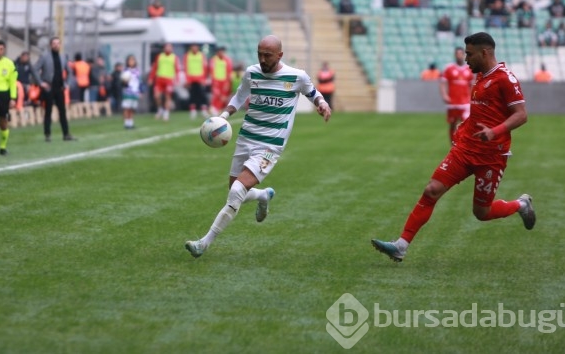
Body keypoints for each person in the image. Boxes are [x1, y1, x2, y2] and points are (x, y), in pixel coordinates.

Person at [371, 32, 535, 262]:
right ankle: (401, 245)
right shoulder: (479, 76)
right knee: (431, 190)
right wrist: (465, 126)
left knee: (482, 212)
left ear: (484, 52)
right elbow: (483, 111)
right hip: (465, 149)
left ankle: (520, 204)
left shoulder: (505, 79)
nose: (465, 58)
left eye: (469, 54)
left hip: (492, 156)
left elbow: (521, 115)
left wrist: (494, 132)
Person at [184, 35, 332, 258]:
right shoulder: (252, 73)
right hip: (246, 138)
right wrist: (222, 118)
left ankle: (204, 243)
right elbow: (239, 97)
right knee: (236, 192)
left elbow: (313, 92)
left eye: (268, 55)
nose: (262, 59)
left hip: (270, 146)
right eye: (259, 54)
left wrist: (322, 104)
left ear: (279, 55)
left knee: (236, 192)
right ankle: (263, 196)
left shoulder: (296, 76)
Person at [32, 37, 76, 142]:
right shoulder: (44, 56)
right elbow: (35, 69)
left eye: (58, 43)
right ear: (50, 45)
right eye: (54, 43)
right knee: (48, 111)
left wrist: (67, 84)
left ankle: (66, 134)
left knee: (62, 111)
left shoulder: (63, 56)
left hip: (60, 88)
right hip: (49, 87)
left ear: (60, 45)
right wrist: (41, 82)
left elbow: (70, 71)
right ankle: (47, 134)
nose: (56, 45)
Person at [440, 47, 474, 143]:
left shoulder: (469, 68)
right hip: (453, 102)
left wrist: (472, 98)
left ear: (464, 55)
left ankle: (463, 143)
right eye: (457, 54)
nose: (459, 56)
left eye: (460, 54)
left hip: (465, 103)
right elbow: (442, 83)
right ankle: (453, 143)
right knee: (452, 123)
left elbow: (472, 85)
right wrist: (444, 95)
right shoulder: (449, 68)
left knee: (466, 124)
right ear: (455, 55)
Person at [148, 43, 181, 122]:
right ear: (164, 48)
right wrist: (151, 78)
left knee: (167, 97)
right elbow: (155, 68)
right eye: (167, 47)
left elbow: (177, 69)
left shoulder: (174, 57)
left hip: (169, 79)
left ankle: (166, 113)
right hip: (159, 79)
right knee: (157, 96)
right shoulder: (159, 56)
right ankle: (160, 109)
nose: (168, 49)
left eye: (170, 47)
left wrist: (177, 79)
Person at [184, 44, 209, 119]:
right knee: (192, 95)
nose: (194, 48)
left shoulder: (201, 55)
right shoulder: (187, 56)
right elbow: (186, 67)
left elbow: (205, 67)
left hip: (200, 78)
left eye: (195, 46)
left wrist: (204, 79)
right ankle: (193, 111)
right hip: (191, 79)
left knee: (202, 95)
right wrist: (187, 79)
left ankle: (204, 111)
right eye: (193, 46)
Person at [209, 46, 233, 116]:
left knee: (223, 96)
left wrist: (228, 82)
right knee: (216, 95)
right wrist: (213, 82)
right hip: (216, 80)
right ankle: (214, 109)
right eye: (220, 51)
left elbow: (229, 71)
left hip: (224, 81)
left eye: (223, 52)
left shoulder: (227, 60)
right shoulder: (213, 60)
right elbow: (211, 71)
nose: (222, 53)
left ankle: (219, 110)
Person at [121, 55, 142, 130]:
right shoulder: (126, 71)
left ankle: (131, 122)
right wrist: (124, 82)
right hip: (127, 92)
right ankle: (126, 123)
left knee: (133, 108)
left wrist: (141, 91)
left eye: (133, 60)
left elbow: (140, 82)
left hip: (135, 92)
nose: (131, 62)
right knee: (127, 108)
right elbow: (123, 83)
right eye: (130, 60)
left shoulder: (137, 71)